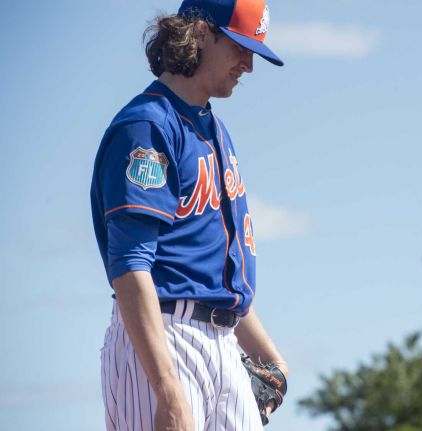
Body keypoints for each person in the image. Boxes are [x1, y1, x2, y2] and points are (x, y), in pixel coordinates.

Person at [90, 0, 287, 429]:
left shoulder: (215, 132)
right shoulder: (146, 126)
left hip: (224, 341)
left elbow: (211, 268)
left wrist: (270, 358)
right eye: (239, 47)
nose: (248, 65)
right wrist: (167, 388)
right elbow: (130, 266)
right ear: (199, 33)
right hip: (163, 337)